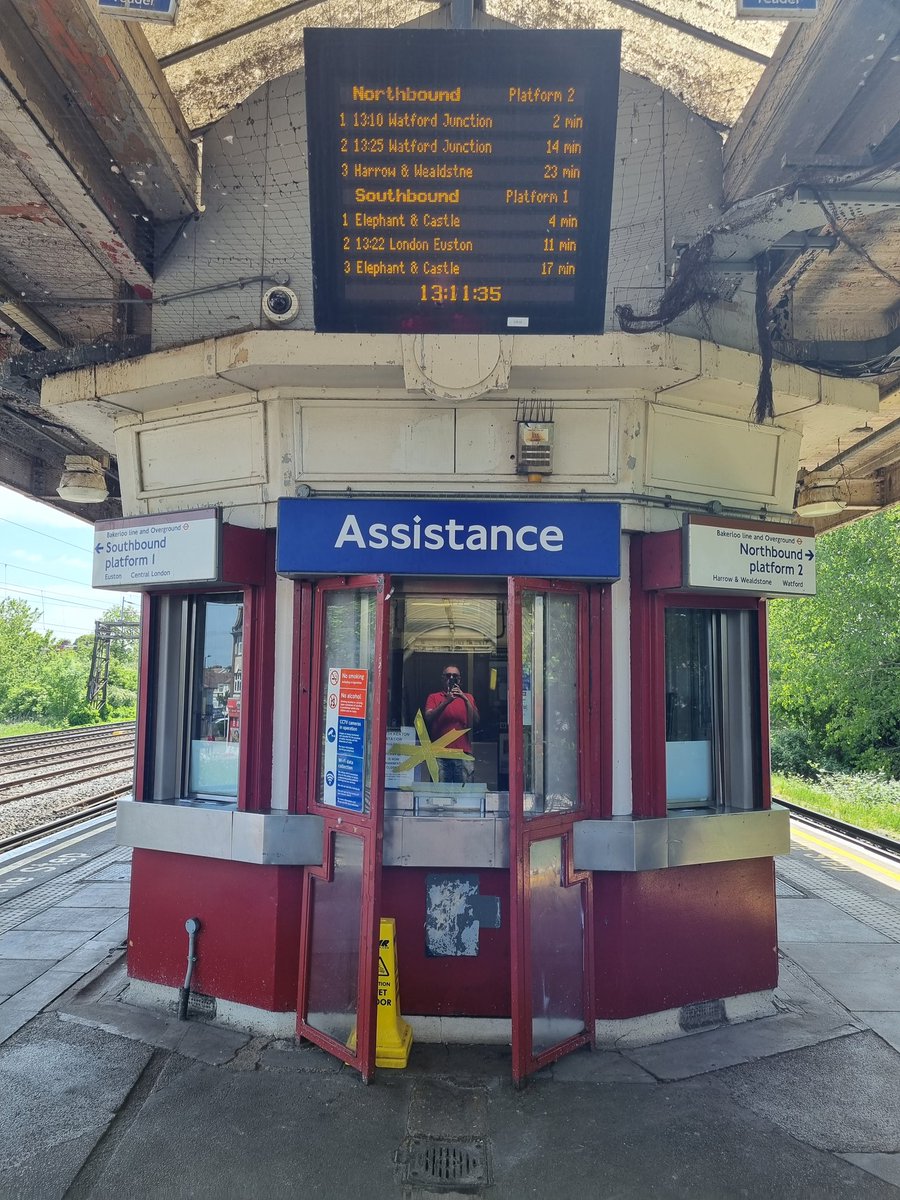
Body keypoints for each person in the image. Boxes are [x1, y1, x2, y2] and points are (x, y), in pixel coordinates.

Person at [424, 664, 480, 783]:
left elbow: (476, 720)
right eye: (448, 675)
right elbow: (428, 718)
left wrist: (464, 699)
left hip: (463, 752)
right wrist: (446, 701)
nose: (451, 678)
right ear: (442, 678)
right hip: (439, 753)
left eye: (455, 676)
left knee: (465, 791)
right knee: (439, 791)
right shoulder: (434, 697)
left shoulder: (468, 697)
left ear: (460, 680)